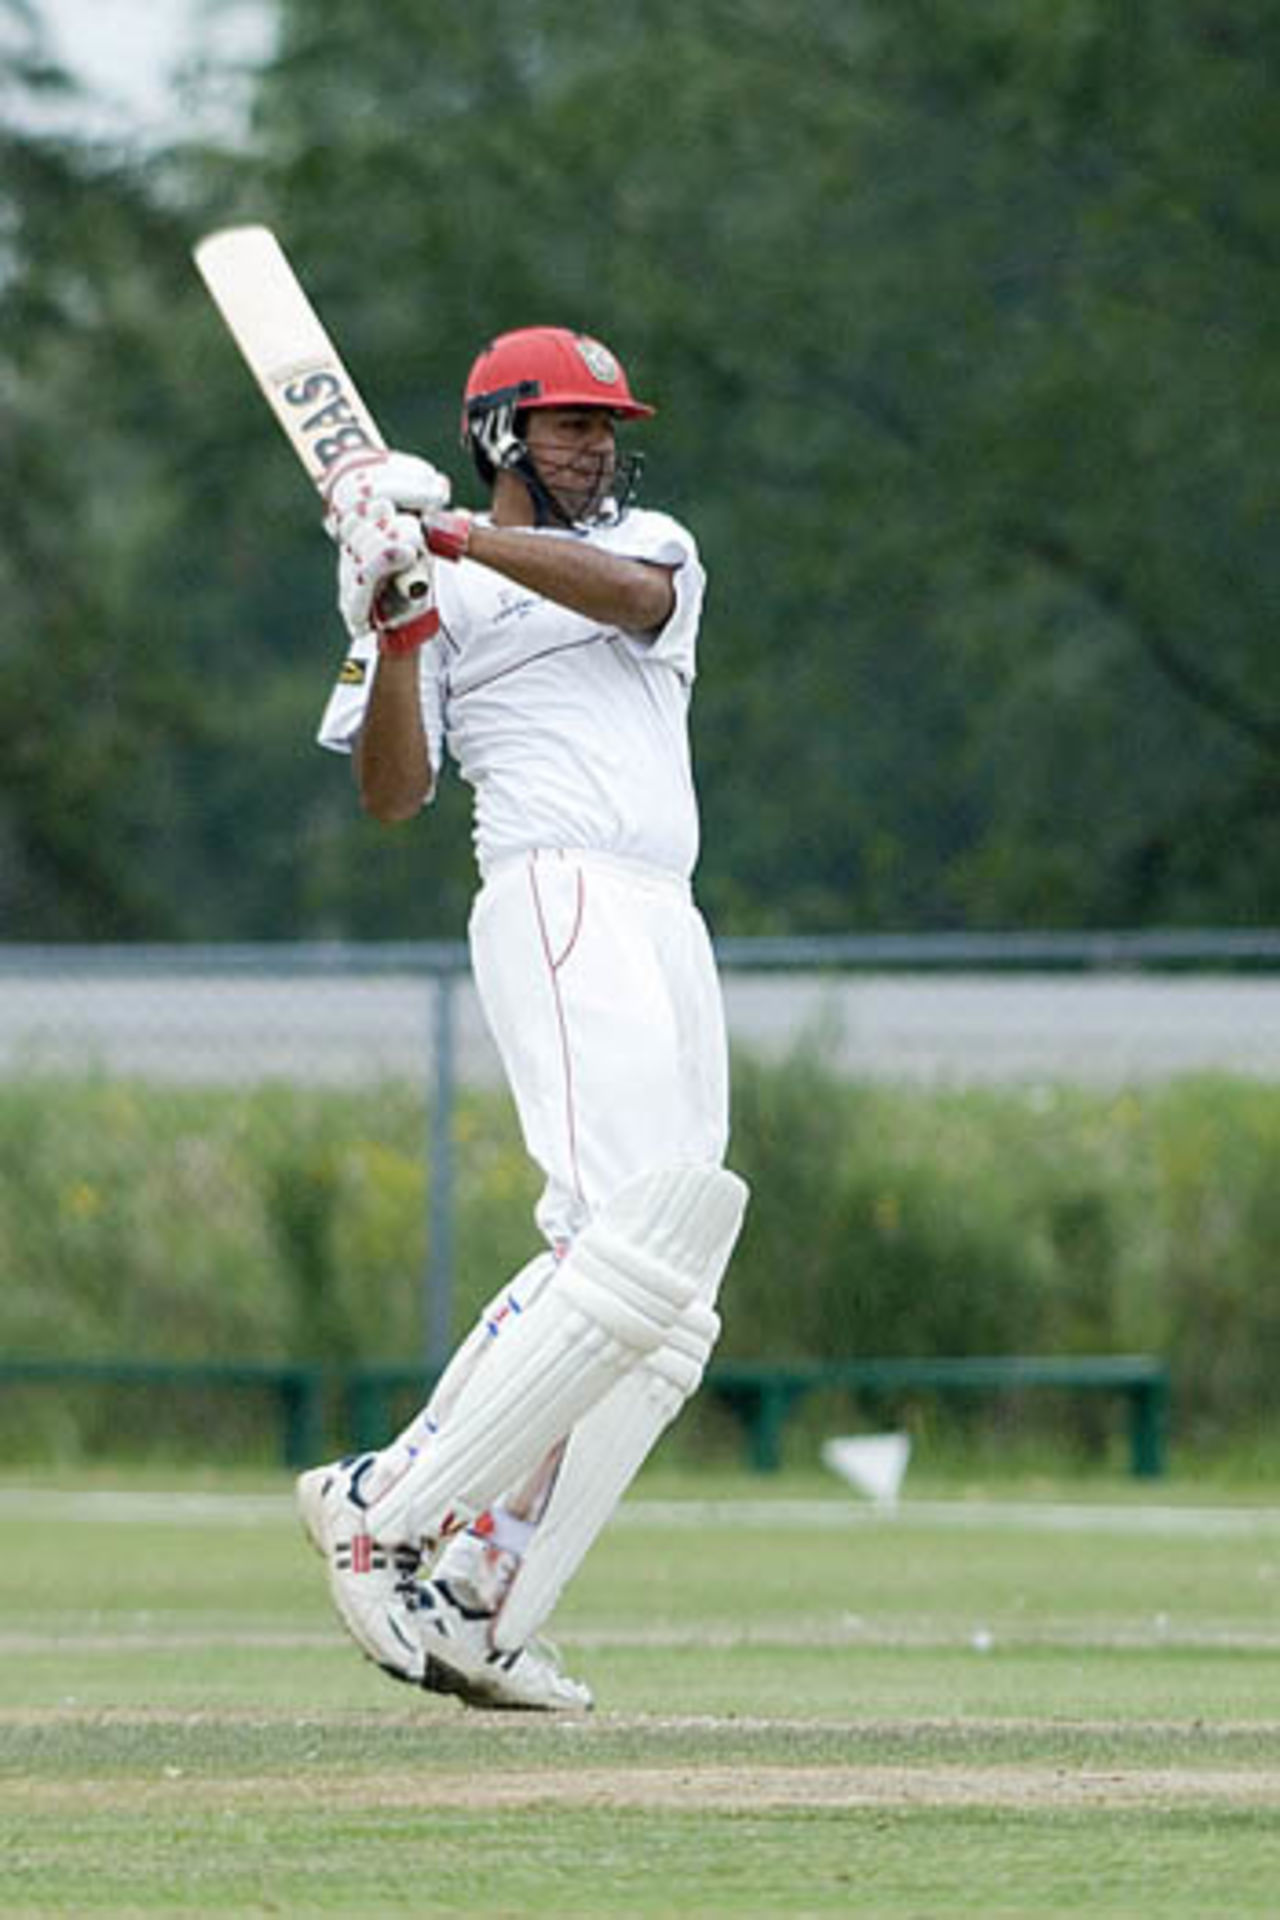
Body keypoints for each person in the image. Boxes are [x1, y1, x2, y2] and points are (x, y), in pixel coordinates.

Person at [300, 325, 748, 1710]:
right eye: (564, 423)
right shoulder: (435, 588)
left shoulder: (648, 543)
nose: (594, 445)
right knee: (609, 1235)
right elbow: (393, 791)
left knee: (671, 1291)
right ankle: (382, 1508)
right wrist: (390, 618)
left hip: (663, 911)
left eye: (605, 424)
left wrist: (449, 543)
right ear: (501, 433)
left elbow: (626, 598)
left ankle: (487, 1595)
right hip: (553, 896)